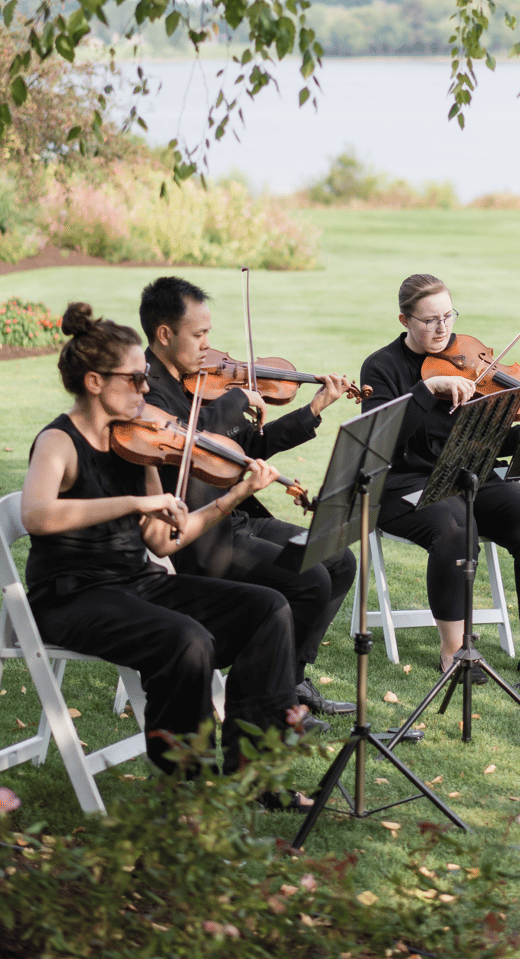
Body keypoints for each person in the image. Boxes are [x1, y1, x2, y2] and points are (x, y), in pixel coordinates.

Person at [21, 302, 310, 792]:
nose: (147, 387)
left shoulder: (139, 440)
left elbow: (162, 538)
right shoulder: (59, 441)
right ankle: (189, 781)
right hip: (72, 596)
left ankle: (258, 772)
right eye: (134, 379)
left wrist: (235, 497)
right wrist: (133, 499)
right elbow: (37, 514)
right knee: (186, 639)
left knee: (269, 608)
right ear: (94, 382)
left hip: (138, 582)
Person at [138, 276, 357, 719]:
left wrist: (312, 410)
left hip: (237, 514)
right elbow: (193, 440)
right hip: (202, 534)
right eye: (198, 335)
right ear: (164, 334)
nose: (208, 346)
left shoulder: (201, 386)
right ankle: (270, 694)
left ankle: (291, 679)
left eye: (208, 334)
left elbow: (243, 451)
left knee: (337, 558)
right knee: (310, 579)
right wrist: (233, 401)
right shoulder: (148, 392)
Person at [359, 273, 520, 681]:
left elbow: (490, 438)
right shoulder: (381, 367)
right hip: (403, 483)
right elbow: (381, 441)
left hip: (468, 474)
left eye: (448, 316)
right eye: (429, 320)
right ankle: (454, 652)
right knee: (456, 528)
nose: (442, 328)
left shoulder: (469, 360)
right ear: (405, 321)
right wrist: (427, 388)